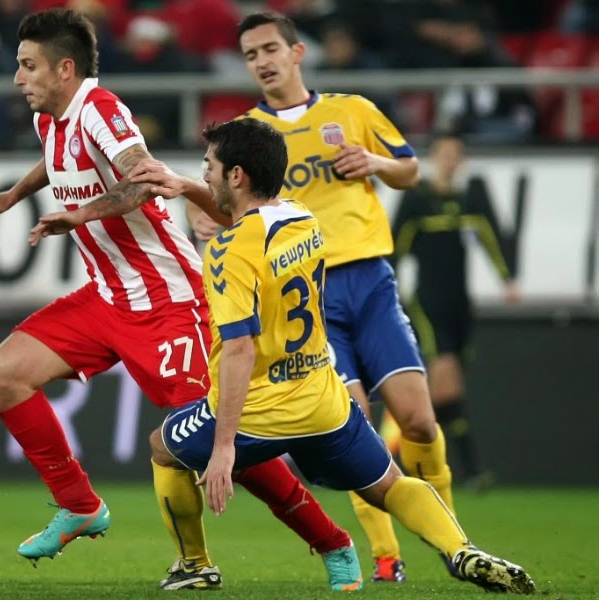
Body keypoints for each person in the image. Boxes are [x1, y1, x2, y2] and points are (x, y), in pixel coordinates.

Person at [0, 8, 361, 592]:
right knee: (4, 375)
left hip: (170, 301)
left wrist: (82, 214)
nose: (18, 78)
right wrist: (11, 196)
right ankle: (79, 505)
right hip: (107, 296)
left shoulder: (102, 110)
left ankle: (332, 541)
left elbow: (143, 177)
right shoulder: (52, 118)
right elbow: (58, 160)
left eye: (28, 66)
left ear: (65, 69)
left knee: (222, 441)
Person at [37, 117, 536, 595]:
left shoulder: (228, 253)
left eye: (210, 166)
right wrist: (185, 187)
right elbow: (246, 217)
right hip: (322, 399)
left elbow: (238, 348)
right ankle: (460, 549)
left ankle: (194, 565)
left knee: (163, 448)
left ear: (237, 175)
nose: (205, 174)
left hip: (260, 409)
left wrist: (224, 446)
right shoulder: (302, 217)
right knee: (389, 482)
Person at [128, 11, 459, 584]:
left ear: (297, 52)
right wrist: (197, 201)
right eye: (250, 54)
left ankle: (453, 539)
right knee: (354, 419)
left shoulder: (351, 111)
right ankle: (387, 558)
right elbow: (233, 211)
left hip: (368, 279)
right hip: (309, 287)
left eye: (269, 49)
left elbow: (409, 171)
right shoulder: (248, 135)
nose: (261, 61)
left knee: (420, 421)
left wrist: (376, 163)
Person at [391, 133, 518, 489]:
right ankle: (470, 469)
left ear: (461, 160)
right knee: (447, 385)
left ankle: (406, 460)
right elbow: (395, 246)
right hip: (428, 303)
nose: (450, 160)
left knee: (443, 393)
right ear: (433, 159)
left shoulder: (469, 202)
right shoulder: (417, 200)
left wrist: (507, 280)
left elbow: (491, 239)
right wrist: (387, 288)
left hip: (460, 305)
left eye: (455, 154)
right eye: (444, 153)